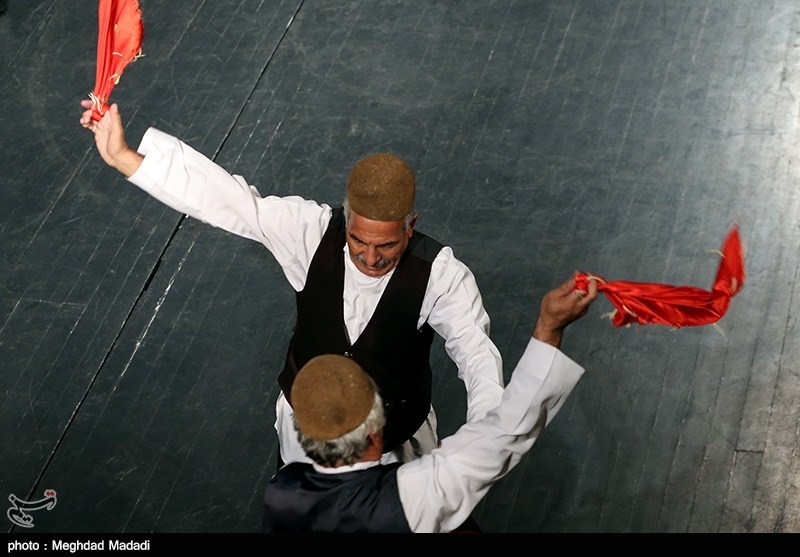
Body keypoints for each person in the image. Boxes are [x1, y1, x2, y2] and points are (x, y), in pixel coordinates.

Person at [79, 101, 505, 465]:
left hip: (396, 442)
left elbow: (476, 355)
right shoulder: (310, 232)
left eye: (387, 245)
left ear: (411, 226)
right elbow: (229, 201)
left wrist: (483, 435)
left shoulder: (441, 274)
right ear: (346, 219)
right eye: (358, 240)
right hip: (307, 434)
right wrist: (125, 158)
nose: (371, 257)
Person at [262, 276, 598, 533]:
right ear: (375, 431)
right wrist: (550, 327)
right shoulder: (417, 494)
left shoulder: (282, 492)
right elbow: (506, 431)